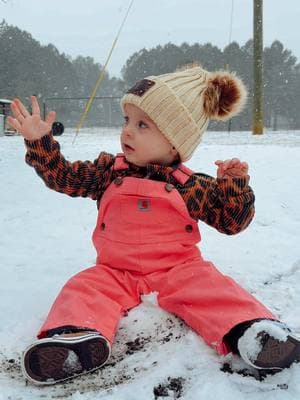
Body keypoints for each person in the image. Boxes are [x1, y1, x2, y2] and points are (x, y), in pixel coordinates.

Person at [8, 65, 300, 386]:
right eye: (127, 121)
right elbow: (65, 177)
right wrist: (40, 143)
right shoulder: (108, 172)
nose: (127, 131)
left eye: (142, 124)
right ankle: (74, 339)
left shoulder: (191, 186)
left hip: (178, 269)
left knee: (214, 289)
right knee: (84, 288)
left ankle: (254, 332)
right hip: (115, 271)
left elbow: (231, 222)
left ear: (175, 142)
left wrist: (235, 188)